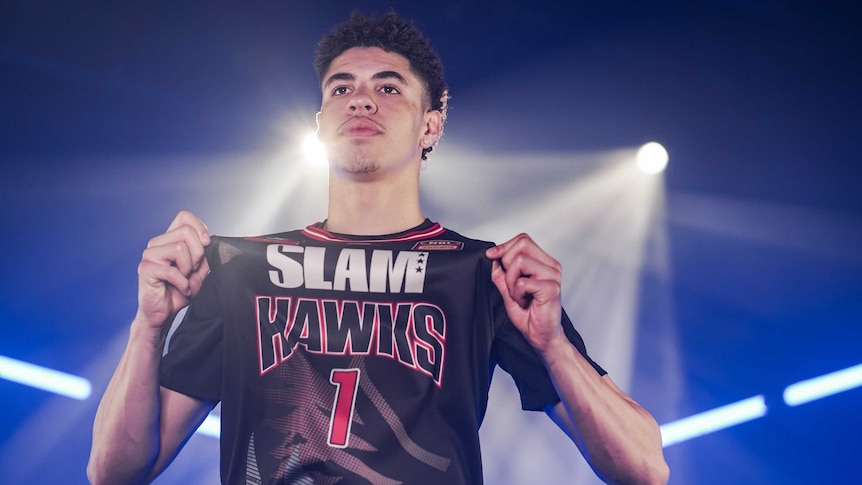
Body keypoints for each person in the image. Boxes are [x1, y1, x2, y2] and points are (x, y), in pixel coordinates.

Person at [88, 11, 669, 485]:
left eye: (388, 87)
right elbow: (113, 472)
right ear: (319, 124)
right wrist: (148, 326)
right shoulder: (241, 273)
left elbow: (644, 469)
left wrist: (554, 347)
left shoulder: (486, 277)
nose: (361, 101)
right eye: (342, 87)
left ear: (430, 126)